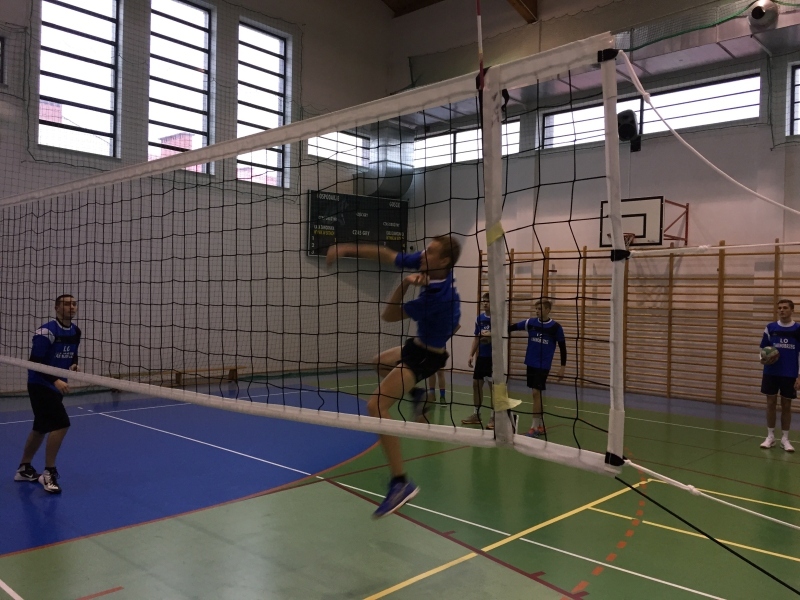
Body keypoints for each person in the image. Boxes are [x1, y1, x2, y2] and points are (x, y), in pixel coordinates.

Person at [327, 236, 461, 517]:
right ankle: (417, 394)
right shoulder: (430, 265)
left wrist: (405, 284)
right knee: (379, 362)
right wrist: (346, 248)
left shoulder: (437, 297)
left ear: (444, 260)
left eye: (430, 252)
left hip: (425, 356)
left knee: (376, 406)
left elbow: (387, 316)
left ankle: (400, 482)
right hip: (418, 346)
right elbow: (387, 254)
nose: (423, 254)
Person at [14, 294, 81, 494]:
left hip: (55, 386)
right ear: (57, 308)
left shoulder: (76, 331)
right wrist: (54, 380)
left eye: (74, 304)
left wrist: (73, 364)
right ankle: (49, 472)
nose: (71, 307)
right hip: (40, 384)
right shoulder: (46, 332)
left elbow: (73, 352)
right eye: (66, 304)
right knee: (61, 424)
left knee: (41, 427)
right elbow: (35, 362)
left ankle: (24, 468)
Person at [508, 299, 566, 438]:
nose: (537, 311)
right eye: (536, 309)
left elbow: (563, 348)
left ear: (547, 310)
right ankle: (540, 425)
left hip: (543, 365)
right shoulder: (531, 323)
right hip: (531, 363)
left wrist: (562, 367)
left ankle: (534, 427)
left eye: (540, 309)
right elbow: (513, 327)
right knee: (536, 395)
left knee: (535, 393)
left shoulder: (555, 327)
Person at [759, 298, 798, 452]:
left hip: (790, 373)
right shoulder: (770, 327)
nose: (782, 310)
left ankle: (785, 439)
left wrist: (799, 375)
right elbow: (763, 349)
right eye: (780, 308)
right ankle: (770, 437)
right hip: (771, 372)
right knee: (770, 403)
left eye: (785, 308)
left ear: (792, 310)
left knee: (787, 405)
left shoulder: (798, 329)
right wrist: (763, 358)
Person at [463, 293, 493, 428]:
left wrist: (490, 335)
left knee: (494, 388)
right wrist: (471, 354)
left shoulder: (498, 319)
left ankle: (494, 417)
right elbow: (476, 337)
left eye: (488, 301)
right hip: (482, 357)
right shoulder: (479, 318)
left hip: (494, 358)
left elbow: (502, 335)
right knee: (476, 384)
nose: (485, 303)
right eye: (484, 301)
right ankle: (476, 414)